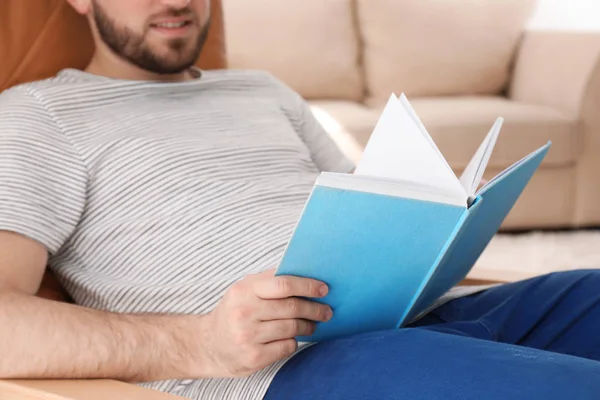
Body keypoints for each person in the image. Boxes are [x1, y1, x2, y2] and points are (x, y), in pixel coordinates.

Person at [0, 1, 598, 399]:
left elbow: (375, 209)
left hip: (443, 312)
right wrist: (201, 341)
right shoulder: (38, 116)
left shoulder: (262, 89)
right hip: (297, 366)